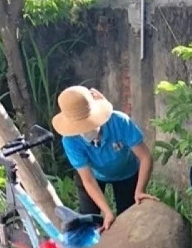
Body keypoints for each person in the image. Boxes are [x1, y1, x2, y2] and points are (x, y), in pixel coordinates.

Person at [52, 86, 157, 230]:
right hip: (93, 176)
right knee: (89, 220)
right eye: (80, 128)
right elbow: (88, 180)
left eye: (88, 124)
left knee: (128, 216)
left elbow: (145, 157)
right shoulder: (70, 140)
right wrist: (107, 212)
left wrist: (140, 190)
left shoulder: (119, 121)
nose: (85, 131)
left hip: (126, 172)